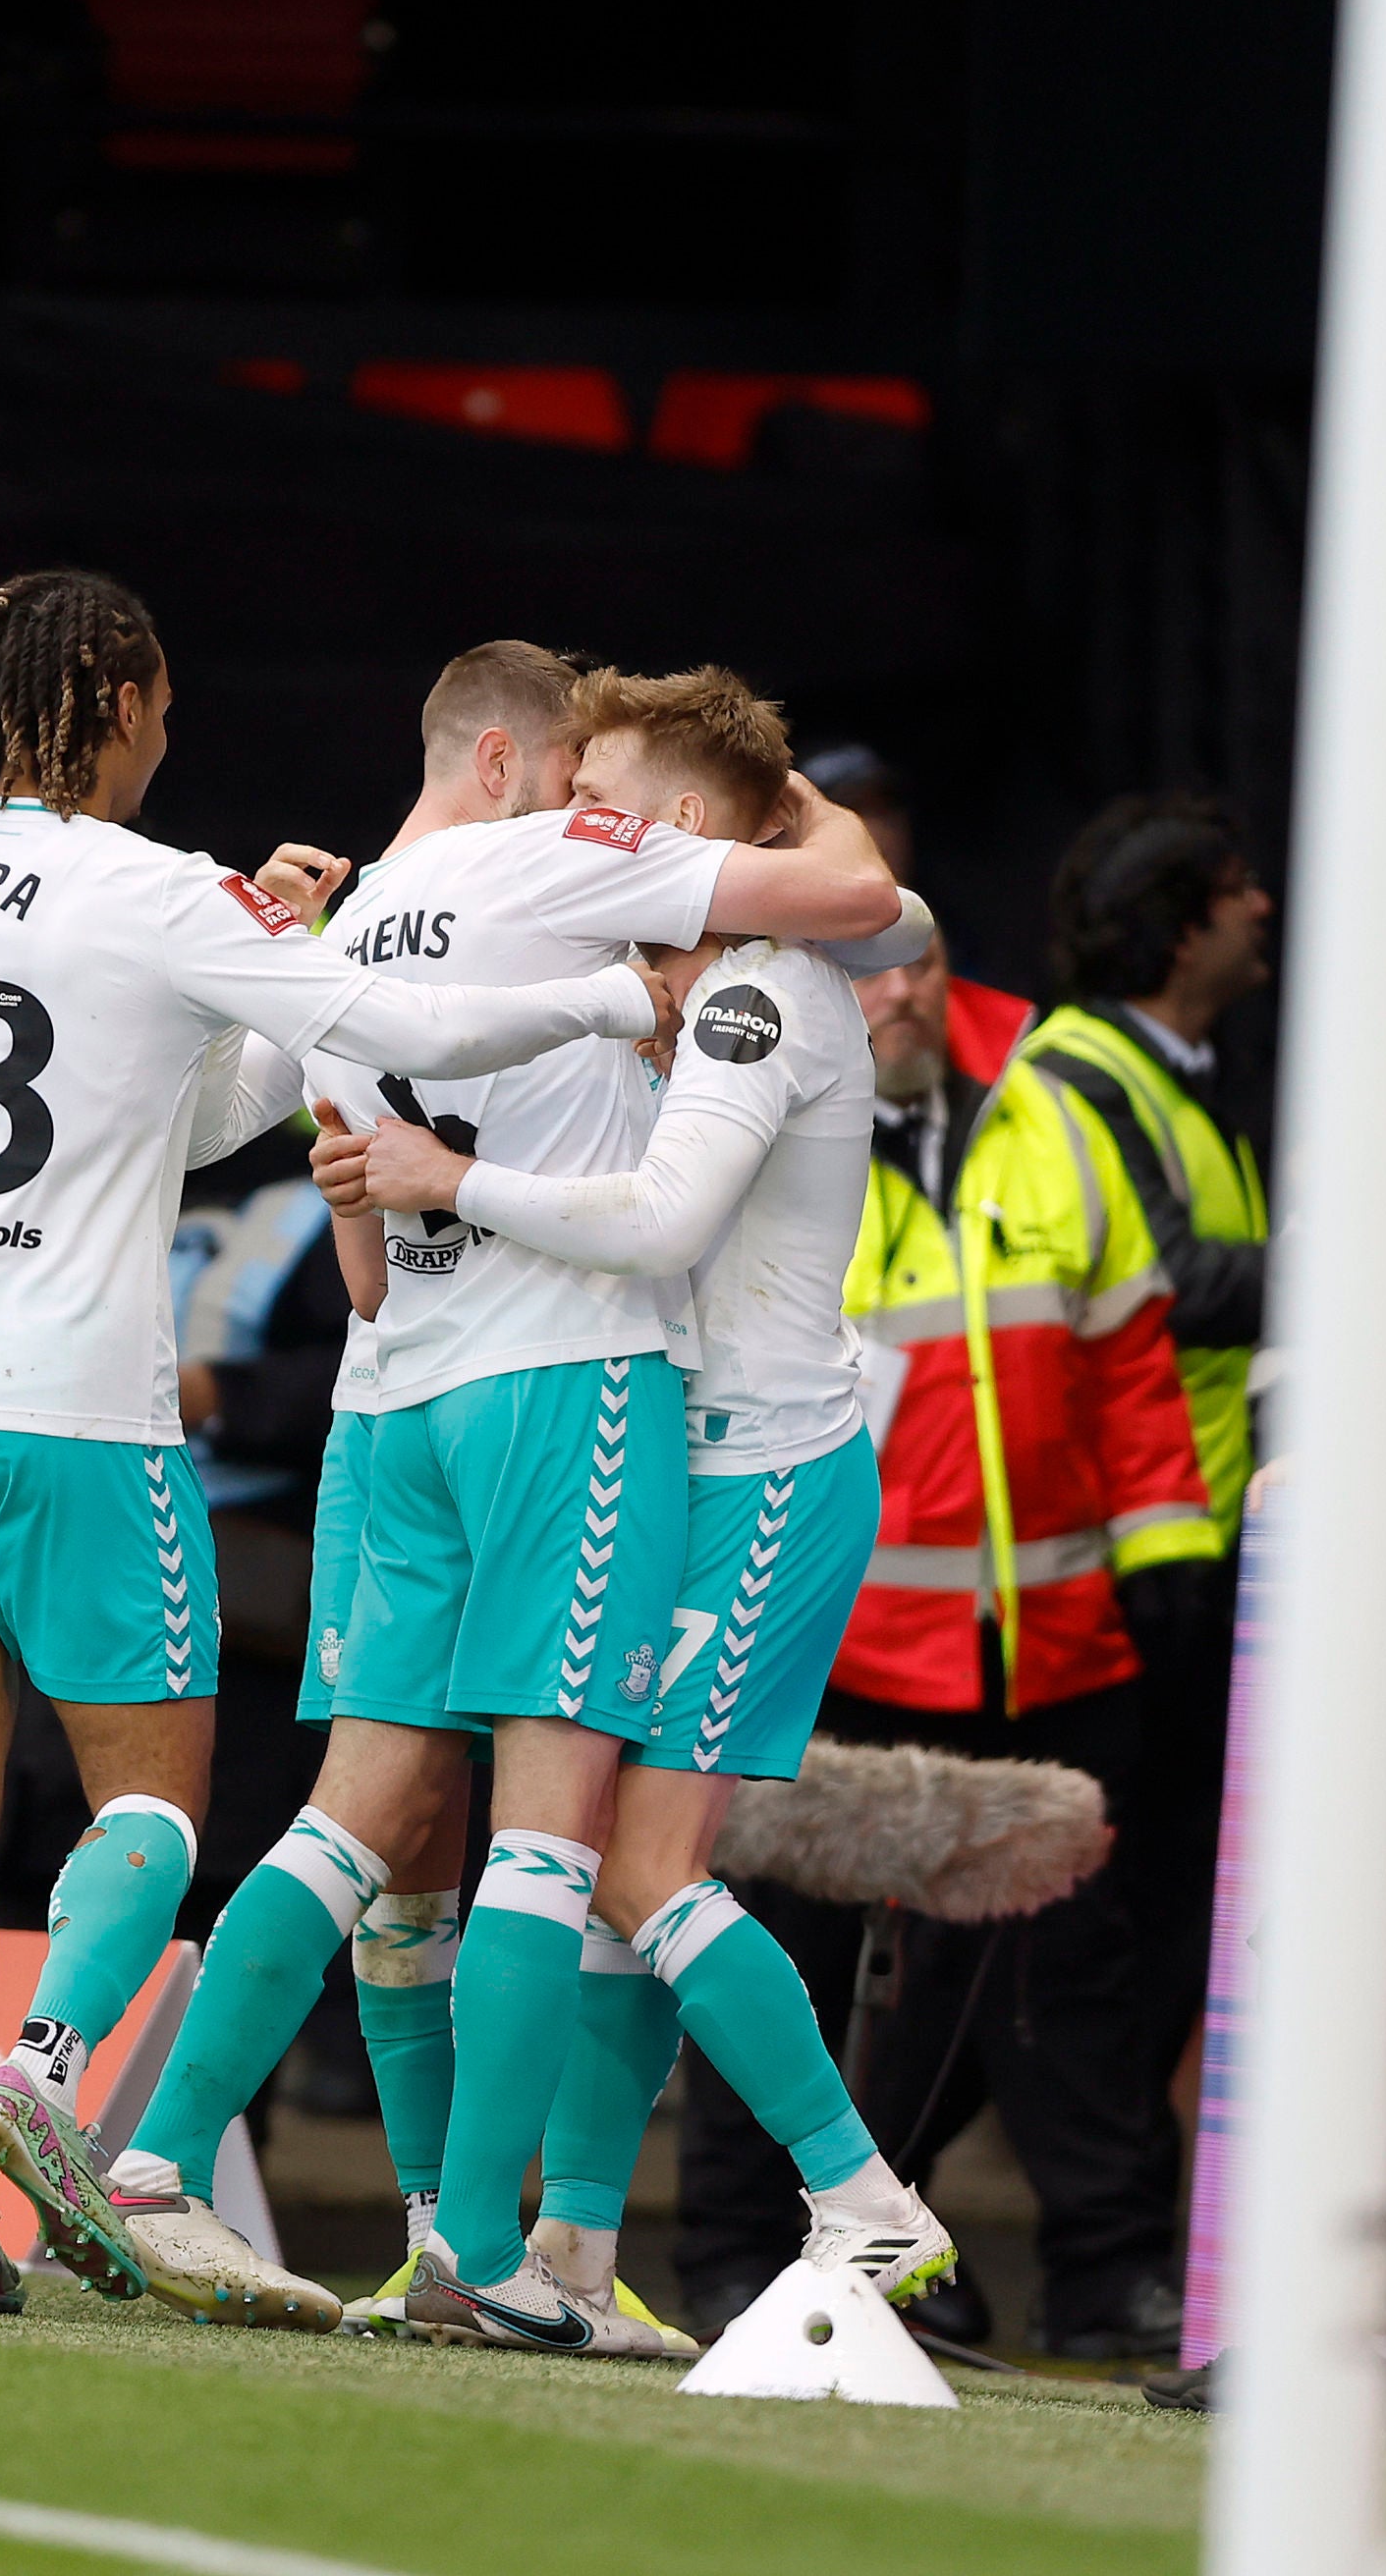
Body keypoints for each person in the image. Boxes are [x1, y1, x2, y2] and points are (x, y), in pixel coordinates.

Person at [0, 573, 763, 2313]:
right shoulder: (160, 888)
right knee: (151, 1798)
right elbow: (409, 1036)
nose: (169, 738)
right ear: (109, 700)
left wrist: (256, 986)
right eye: (157, 707)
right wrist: (621, 999)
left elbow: (112, 1121)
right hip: (79, 1397)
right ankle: (50, 2073)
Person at [92, 662, 917, 2353]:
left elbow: (360, 1247)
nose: (582, 813)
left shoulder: (365, 915)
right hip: (582, 1389)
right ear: (506, 761)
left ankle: (186, 2158)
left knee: (397, 1826)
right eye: (568, 780)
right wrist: (753, 850)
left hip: (421, 1399)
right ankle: (521, 2237)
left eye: (606, 792)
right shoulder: (594, 888)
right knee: (563, 1841)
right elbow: (869, 903)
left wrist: (414, 1178)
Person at [327, 864, 961, 2348]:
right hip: (701, 1463)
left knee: (635, 1869)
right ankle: (575, 2241)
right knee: (610, 1861)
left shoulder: (753, 982)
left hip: (767, 1472)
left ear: (678, 824)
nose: (568, 830)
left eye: (605, 794)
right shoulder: (659, 980)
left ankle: (863, 2196)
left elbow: (663, 1221)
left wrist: (449, 1180)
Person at [665, 917, 1217, 2357]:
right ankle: (740, 2257)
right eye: (861, 971)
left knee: (1072, 1979)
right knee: (771, 1953)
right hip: (818, 1625)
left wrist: (1169, 1545)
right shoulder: (739, 1109)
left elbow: (1129, 1358)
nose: (895, 991)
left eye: (914, 962)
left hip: (1040, 1636)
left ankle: (1101, 2277)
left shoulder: (1051, 1108)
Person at [1016, 794, 1275, 2121]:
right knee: (1095, 1916)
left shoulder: (1176, 1086)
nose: (1261, 908)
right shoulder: (1082, 1079)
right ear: (1179, 928)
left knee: (1164, 1900)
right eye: (1236, 887)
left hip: (1192, 1541)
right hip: (1118, 1556)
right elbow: (1172, 1284)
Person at [805, 742, 1027, 1079]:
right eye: (851, 812)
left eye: (884, 810)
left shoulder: (1004, 1026)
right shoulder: (761, 966)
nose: (901, 992)